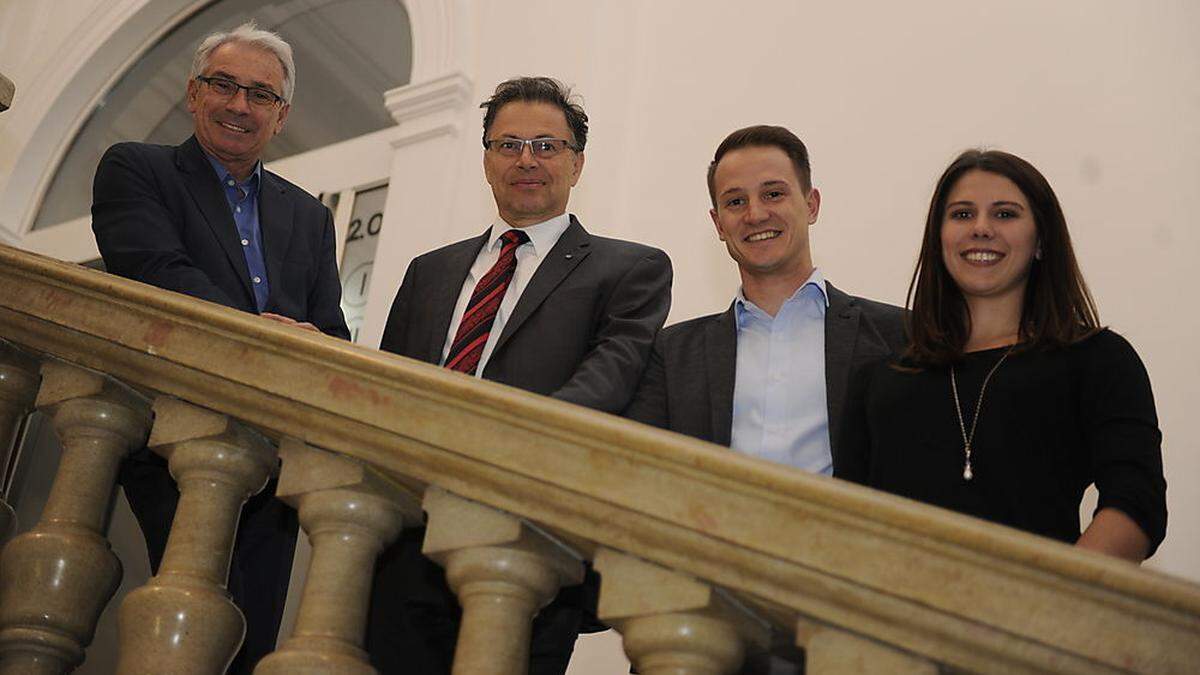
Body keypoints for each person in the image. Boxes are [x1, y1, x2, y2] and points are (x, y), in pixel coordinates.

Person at [371, 76, 673, 674]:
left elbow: (606, 384)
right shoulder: (428, 272)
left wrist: (492, 446)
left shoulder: (629, 269)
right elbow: (391, 388)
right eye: (508, 145)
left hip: (530, 544)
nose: (526, 160)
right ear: (486, 159)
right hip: (407, 541)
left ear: (577, 163)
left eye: (546, 146)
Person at [91, 21, 349, 671]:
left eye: (260, 95)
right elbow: (159, 273)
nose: (240, 105)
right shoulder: (137, 168)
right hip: (174, 436)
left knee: (249, 639)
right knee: (181, 629)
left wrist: (320, 348)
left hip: (275, 458)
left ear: (282, 115)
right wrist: (267, 333)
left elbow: (330, 329)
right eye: (224, 85)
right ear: (192, 93)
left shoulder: (309, 217)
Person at [839, 149, 1166, 562]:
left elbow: (1137, 502)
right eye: (961, 215)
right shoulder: (878, 379)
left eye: (1005, 214)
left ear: (1041, 239)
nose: (981, 229)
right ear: (938, 238)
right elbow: (845, 527)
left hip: (1039, 618)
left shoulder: (1098, 360)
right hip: (892, 620)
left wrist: (1050, 602)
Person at [625, 125, 905, 478]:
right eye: (735, 201)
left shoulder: (897, 337)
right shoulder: (672, 354)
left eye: (773, 194)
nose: (755, 214)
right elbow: (644, 474)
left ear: (811, 204)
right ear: (719, 224)